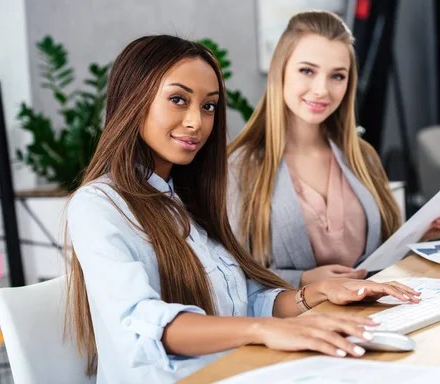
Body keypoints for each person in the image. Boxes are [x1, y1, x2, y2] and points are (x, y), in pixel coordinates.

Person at [65, 35, 420, 383]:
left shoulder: (186, 200)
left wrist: (316, 294)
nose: (196, 122)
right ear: (132, 100)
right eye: (178, 99)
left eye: (208, 106)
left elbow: (242, 302)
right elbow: (144, 323)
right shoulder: (98, 207)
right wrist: (262, 330)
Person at [227, 11, 440, 288]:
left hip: (371, 317)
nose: (321, 90)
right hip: (297, 325)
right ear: (280, 70)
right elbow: (230, 278)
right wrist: (302, 280)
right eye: (307, 71)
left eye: (337, 76)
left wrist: (418, 235)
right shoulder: (241, 166)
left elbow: (375, 263)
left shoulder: (362, 157)